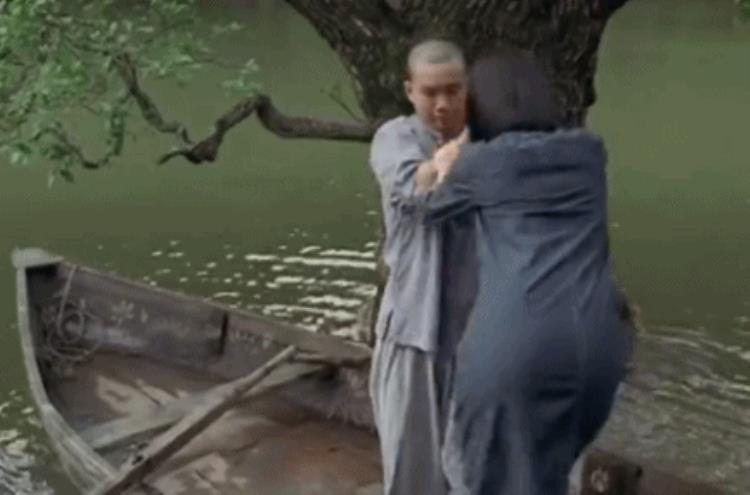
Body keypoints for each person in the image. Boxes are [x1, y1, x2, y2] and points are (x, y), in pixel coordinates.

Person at [419, 49, 630, 495]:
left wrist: (445, 165)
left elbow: (427, 210)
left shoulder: (480, 164)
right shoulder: (590, 154)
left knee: (474, 472)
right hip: (597, 346)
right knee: (549, 473)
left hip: (514, 347)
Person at [367, 39, 478, 495]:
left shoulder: (496, 143)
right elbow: (419, 189)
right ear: (409, 90)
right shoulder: (394, 139)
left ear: (468, 89)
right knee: (412, 474)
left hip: (478, 335)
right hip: (415, 328)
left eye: (453, 90)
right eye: (431, 92)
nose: (442, 104)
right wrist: (460, 149)